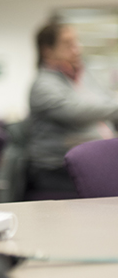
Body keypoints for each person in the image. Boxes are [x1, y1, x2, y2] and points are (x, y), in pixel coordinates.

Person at [27, 19, 118, 195]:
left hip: (97, 164)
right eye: (68, 44)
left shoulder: (82, 77)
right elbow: (77, 111)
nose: (77, 48)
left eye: (76, 41)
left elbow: (106, 101)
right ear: (47, 50)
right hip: (59, 171)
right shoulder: (43, 85)